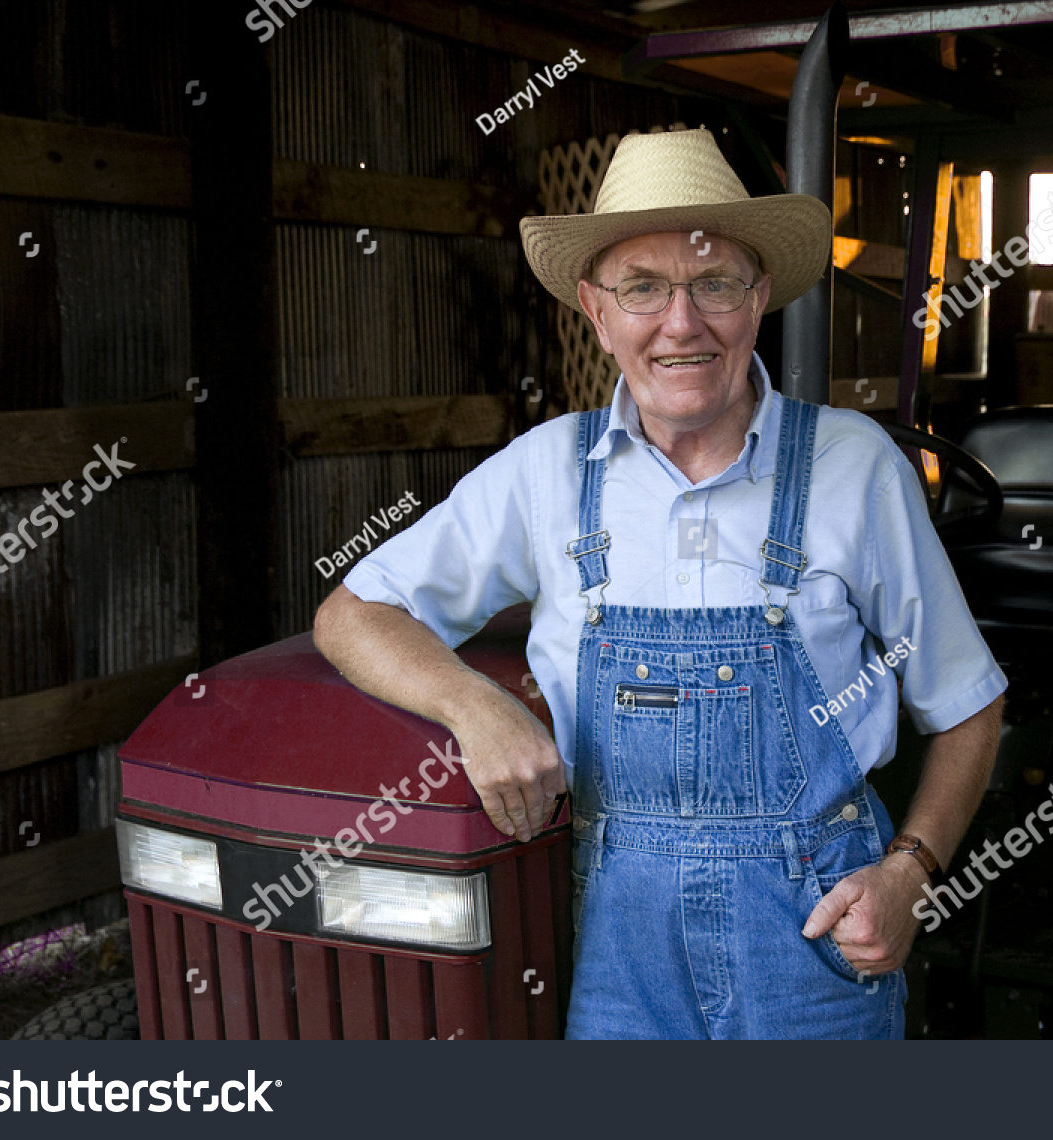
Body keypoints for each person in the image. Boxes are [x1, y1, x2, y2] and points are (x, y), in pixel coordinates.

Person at [314, 127, 1006, 1039]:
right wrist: (475, 709)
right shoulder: (544, 474)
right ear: (598, 314)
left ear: (758, 300)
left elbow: (968, 705)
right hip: (616, 942)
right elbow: (351, 613)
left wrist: (908, 874)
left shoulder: (853, 465)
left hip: (814, 932)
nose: (682, 324)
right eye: (642, 288)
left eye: (713, 283)